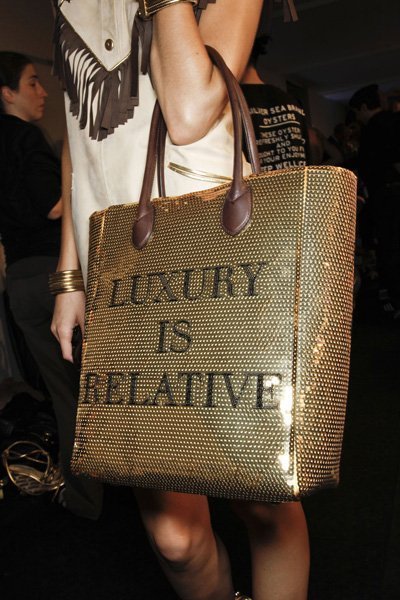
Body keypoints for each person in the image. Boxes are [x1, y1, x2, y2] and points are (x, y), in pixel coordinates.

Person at [51, 1, 309, 598]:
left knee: (262, 499)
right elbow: (77, 132)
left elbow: (190, 112)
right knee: (174, 537)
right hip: (118, 271)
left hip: (216, 258)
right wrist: (70, 276)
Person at [0, 51, 103, 519]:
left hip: (19, 281)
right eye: (31, 83)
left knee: (63, 394)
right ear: (7, 93)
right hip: (55, 277)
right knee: (97, 385)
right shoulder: (25, 137)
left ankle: (84, 497)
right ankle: (136, 481)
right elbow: (54, 206)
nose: (42, 92)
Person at [349, 84, 400, 319]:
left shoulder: (374, 129)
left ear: (363, 107)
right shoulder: (391, 121)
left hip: (388, 196)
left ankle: (396, 299)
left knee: (390, 247)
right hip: (390, 193)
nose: (357, 118)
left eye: (356, 112)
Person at [241, 35, 309, 171]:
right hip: (296, 182)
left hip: (255, 184)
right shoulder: (292, 102)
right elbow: (306, 157)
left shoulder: (231, 102)